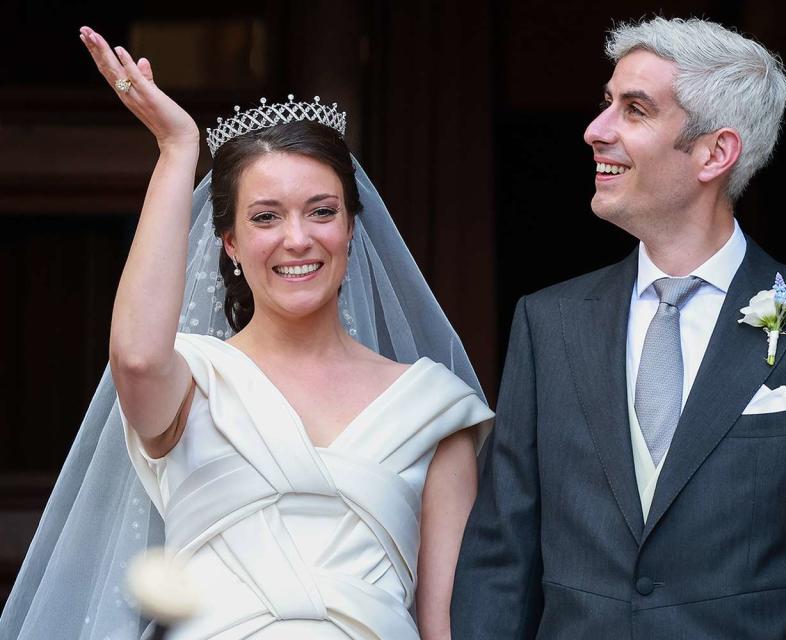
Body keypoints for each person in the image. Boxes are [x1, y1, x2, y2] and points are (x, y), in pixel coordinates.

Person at [0, 27, 492, 640]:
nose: (297, 238)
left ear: (350, 228)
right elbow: (133, 357)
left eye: (322, 210)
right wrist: (178, 149)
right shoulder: (191, 380)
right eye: (265, 217)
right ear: (229, 244)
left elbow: (444, 622)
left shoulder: (433, 407)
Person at [452, 16, 786, 639]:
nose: (595, 130)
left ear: (715, 153)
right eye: (605, 103)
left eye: (634, 110)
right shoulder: (547, 323)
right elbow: (500, 565)